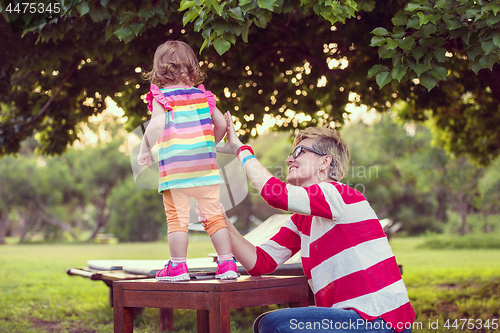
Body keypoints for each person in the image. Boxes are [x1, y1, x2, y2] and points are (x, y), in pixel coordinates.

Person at [214, 111, 415, 332]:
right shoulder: (302, 220)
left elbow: (274, 194)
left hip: (380, 320)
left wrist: (241, 150)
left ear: (324, 161)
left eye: (299, 152)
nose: (290, 159)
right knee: (267, 323)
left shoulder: (340, 196)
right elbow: (260, 262)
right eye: (291, 153)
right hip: (351, 319)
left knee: (274, 325)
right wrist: (220, 220)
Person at [137, 40, 237, 281]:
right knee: (213, 217)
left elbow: (157, 124)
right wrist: (209, 144)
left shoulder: (161, 96)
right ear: (192, 68)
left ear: (160, 69)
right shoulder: (203, 96)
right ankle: (227, 265)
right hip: (206, 171)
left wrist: (144, 149)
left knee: (177, 220)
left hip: (176, 172)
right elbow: (222, 124)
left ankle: (178, 267)